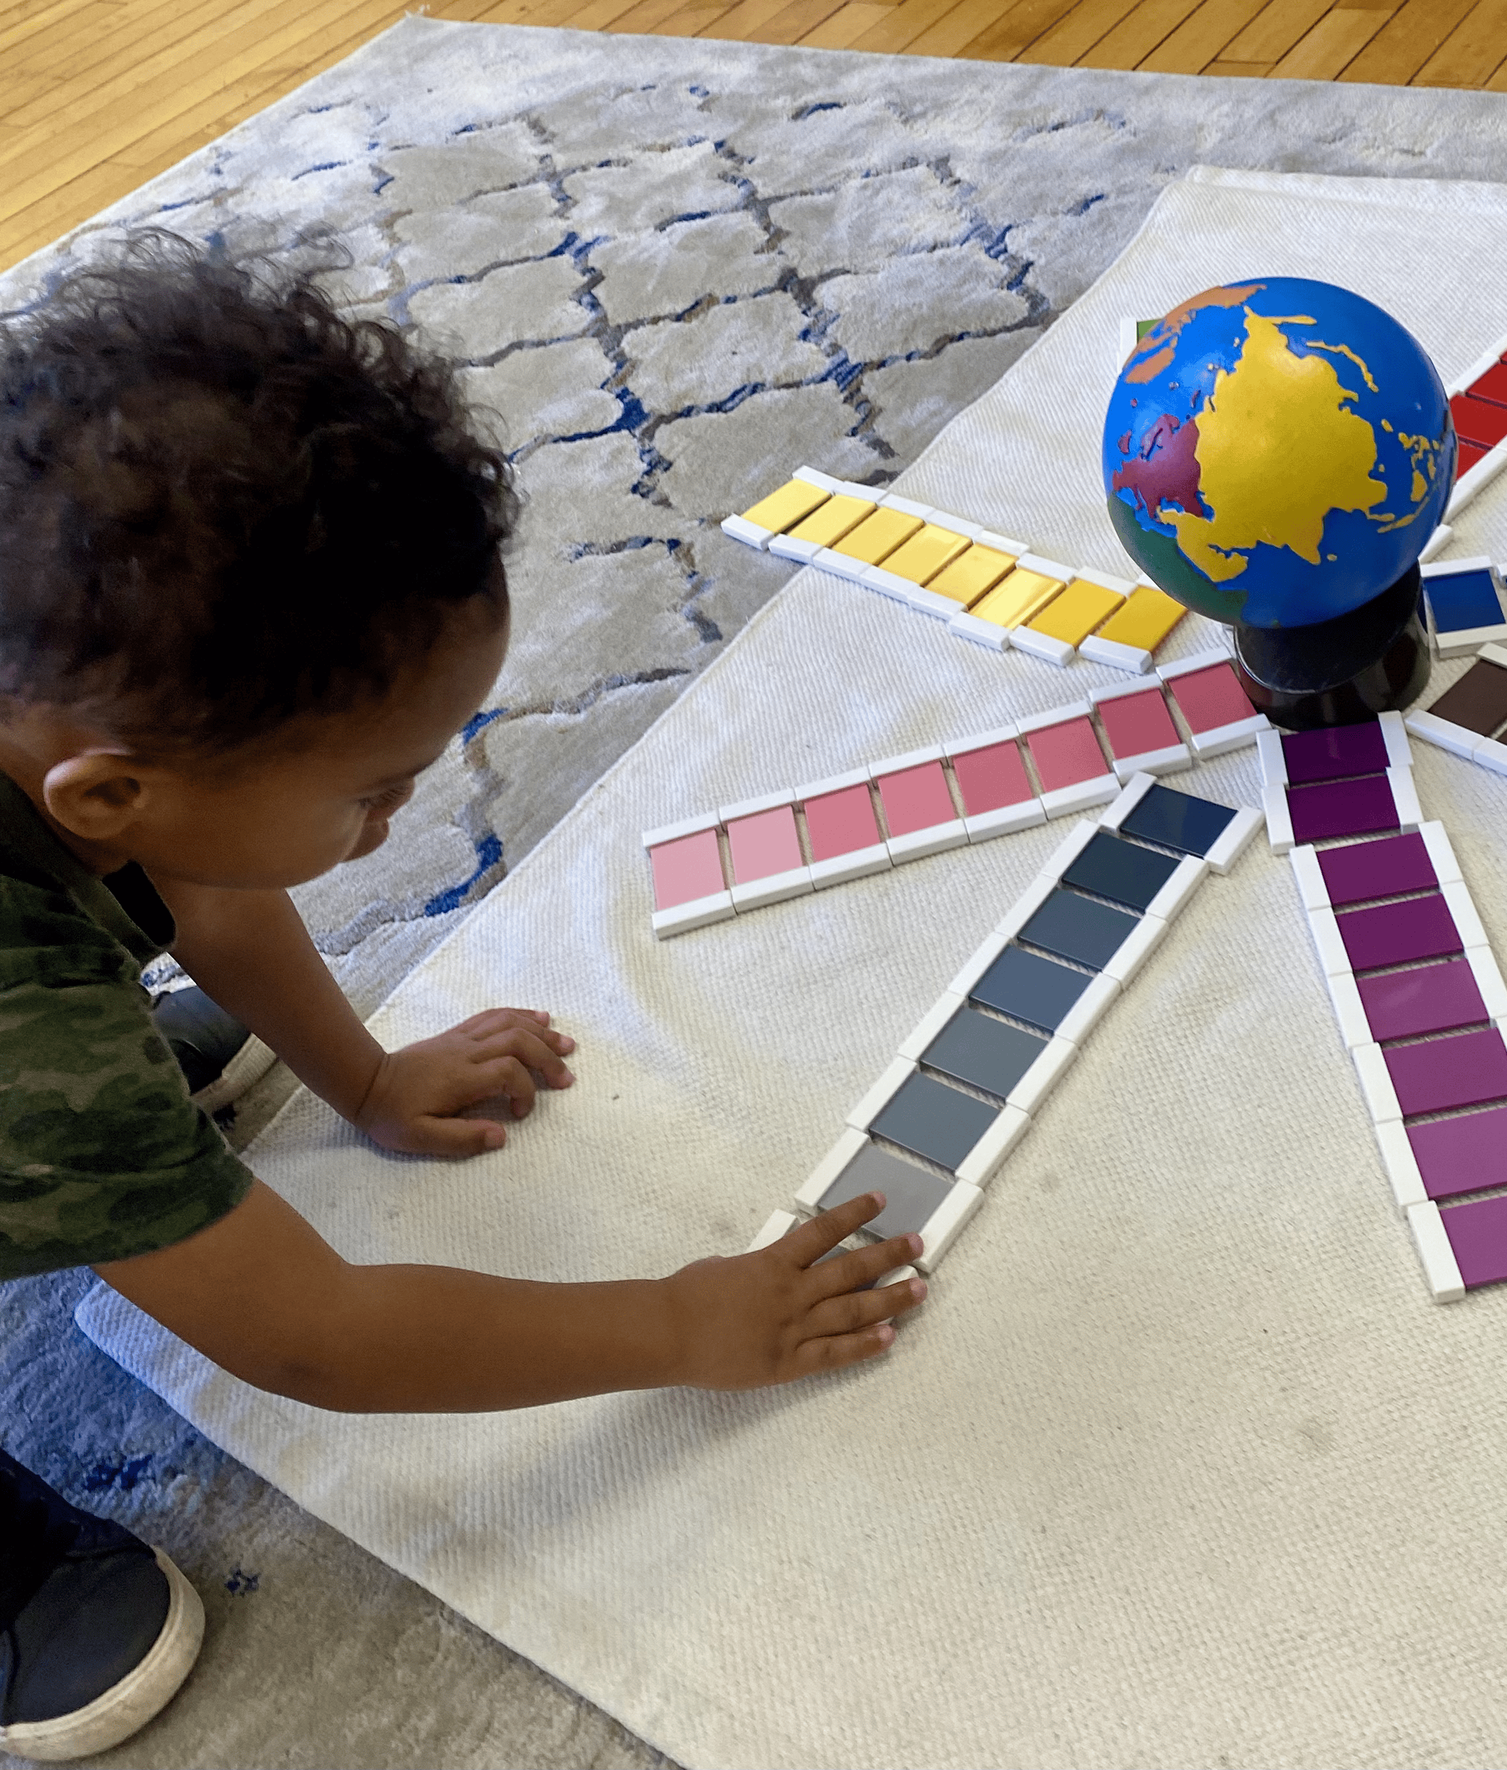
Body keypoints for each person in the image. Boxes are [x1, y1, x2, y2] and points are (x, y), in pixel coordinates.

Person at [0, 237, 924, 1762]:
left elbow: (217, 881)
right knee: (55, 1103)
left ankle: (100, 1117)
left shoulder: (64, 681)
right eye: (374, 796)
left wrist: (360, 1078)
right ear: (106, 790)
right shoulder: (20, 1026)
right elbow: (316, 1339)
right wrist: (686, 1320)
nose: (392, 828)